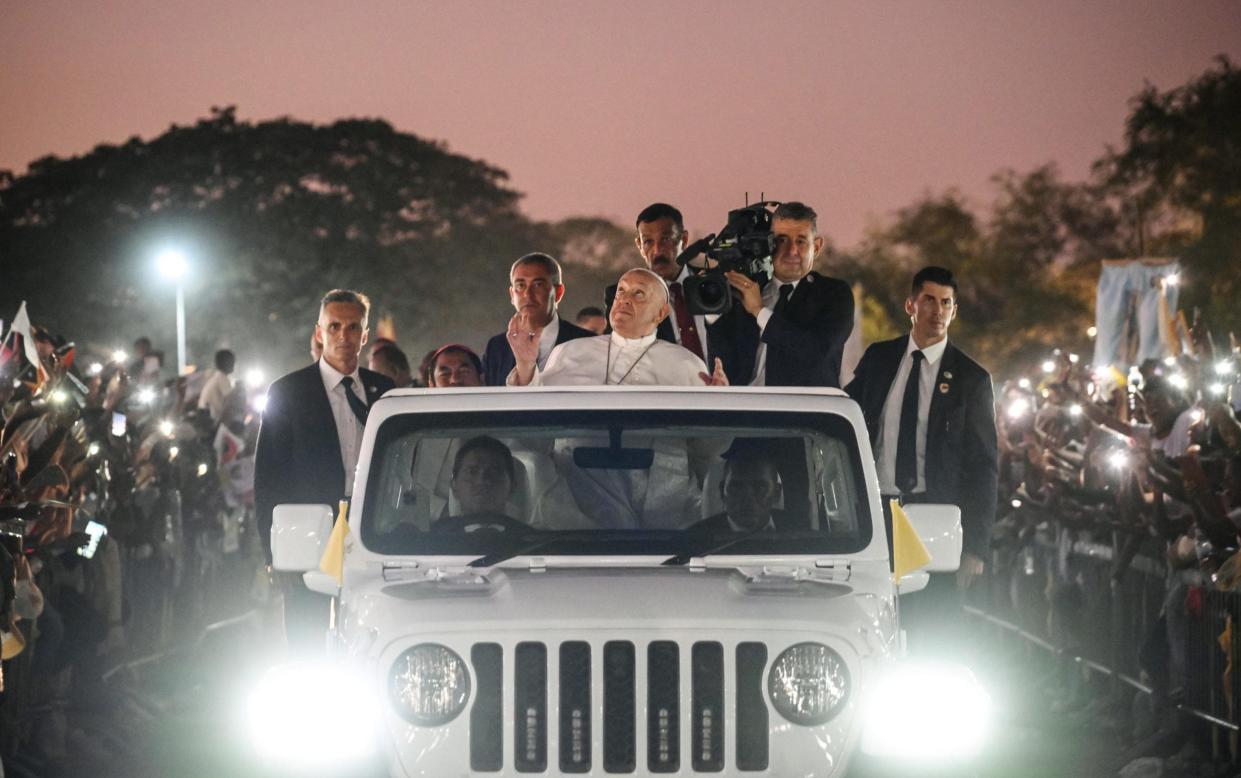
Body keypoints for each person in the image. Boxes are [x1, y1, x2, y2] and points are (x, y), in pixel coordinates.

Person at [254, 289, 395, 649]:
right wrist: (275, 557)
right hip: (308, 532)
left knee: (374, 631)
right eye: (334, 327)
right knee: (307, 637)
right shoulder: (289, 392)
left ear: (365, 335)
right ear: (319, 333)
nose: (344, 337)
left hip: (373, 529)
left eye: (353, 328)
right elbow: (269, 478)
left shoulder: (385, 392)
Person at [845, 266, 997, 591]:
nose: (938, 311)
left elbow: (983, 467)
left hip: (934, 519)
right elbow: (846, 417)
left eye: (946, 303)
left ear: (954, 311)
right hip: (876, 516)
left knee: (933, 627)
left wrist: (975, 548)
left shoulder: (972, 380)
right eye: (929, 300)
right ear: (910, 305)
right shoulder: (879, 359)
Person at [707, 201, 854, 387]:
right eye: (781, 240)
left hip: (803, 411)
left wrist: (759, 312)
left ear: (816, 247)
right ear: (767, 244)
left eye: (801, 241)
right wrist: (713, 309)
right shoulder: (748, 290)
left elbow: (817, 352)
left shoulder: (833, 294)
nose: (791, 251)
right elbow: (724, 362)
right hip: (745, 408)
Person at [508, 268, 727, 387]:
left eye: (638, 293)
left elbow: (703, 452)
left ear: (661, 313)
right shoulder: (569, 352)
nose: (624, 299)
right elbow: (537, 433)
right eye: (621, 291)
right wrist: (526, 367)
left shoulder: (686, 364)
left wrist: (720, 409)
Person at [604, 203, 710, 361]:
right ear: (639, 246)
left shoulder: (714, 285)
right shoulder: (621, 295)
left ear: (684, 239)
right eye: (648, 242)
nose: (657, 250)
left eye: (666, 239)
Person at [482, 253, 594, 386]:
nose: (527, 294)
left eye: (538, 285)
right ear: (512, 295)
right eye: (520, 285)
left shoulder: (588, 343)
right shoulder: (497, 347)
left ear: (558, 293)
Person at [690, 448, 797, 533]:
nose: (747, 499)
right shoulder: (695, 541)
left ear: (776, 493)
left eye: (759, 487)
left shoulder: (801, 534)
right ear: (723, 491)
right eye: (736, 487)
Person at [197, 349, 236, 422]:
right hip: (210, 420)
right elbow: (230, 401)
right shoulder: (222, 377)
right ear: (225, 362)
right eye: (232, 361)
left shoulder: (216, 377)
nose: (233, 364)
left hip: (205, 416)